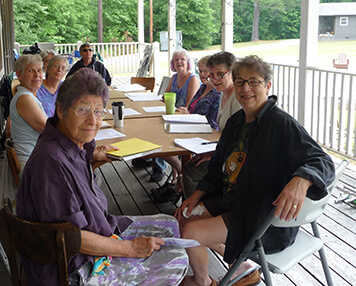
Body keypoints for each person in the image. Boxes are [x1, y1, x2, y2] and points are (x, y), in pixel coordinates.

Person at [16, 68, 188, 286]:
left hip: (97, 230)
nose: (92, 120)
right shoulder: (51, 162)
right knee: (174, 259)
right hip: (72, 269)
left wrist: (90, 158)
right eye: (83, 109)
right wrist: (130, 248)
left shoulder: (71, 144)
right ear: (60, 110)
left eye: (98, 111)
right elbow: (72, 237)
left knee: (171, 225)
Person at [174, 55, 335, 286]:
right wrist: (195, 196)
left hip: (259, 218)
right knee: (182, 219)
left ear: (267, 86)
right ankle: (244, 266)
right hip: (233, 202)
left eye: (254, 81)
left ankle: (202, 282)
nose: (245, 88)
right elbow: (217, 166)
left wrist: (301, 180)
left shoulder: (281, 124)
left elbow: (322, 161)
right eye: (240, 82)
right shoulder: (236, 122)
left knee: (191, 233)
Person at [151, 55, 221, 204]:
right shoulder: (203, 87)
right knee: (156, 137)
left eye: (206, 71)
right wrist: (187, 113)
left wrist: (190, 115)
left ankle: (181, 189)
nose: (203, 74)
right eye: (200, 70)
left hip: (203, 137)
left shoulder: (218, 93)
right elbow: (190, 109)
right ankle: (177, 183)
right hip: (190, 127)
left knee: (165, 144)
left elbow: (214, 124)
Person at [182, 51, 242, 200]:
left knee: (190, 170)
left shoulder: (238, 99)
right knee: (194, 162)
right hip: (221, 151)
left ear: (232, 73)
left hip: (236, 161)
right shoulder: (222, 94)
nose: (214, 79)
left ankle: (197, 211)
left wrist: (214, 155)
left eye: (220, 74)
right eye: (211, 75)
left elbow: (239, 140)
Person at [9, 54, 47, 175]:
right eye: (31, 71)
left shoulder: (27, 95)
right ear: (19, 75)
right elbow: (49, 130)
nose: (37, 75)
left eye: (39, 70)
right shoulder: (25, 99)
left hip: (36, 159)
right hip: (32, 165)